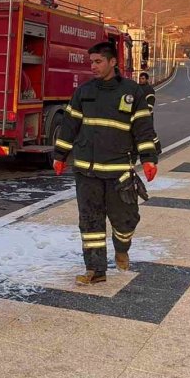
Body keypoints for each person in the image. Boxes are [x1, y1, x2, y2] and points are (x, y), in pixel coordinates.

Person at [53, 42, 159, 285]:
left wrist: (149, 159)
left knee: (125, 220)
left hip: (118, 172)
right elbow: (70, 125)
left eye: (98, 61)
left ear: (113, 62)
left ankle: (122, 246)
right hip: (87, 172)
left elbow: (143, 128)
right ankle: (95, 270)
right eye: (91, 62)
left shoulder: (133, 92)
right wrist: (60, 155)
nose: (93, 66)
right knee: (90, 222)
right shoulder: (84, 91)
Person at [137, 72, 162, 154]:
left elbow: (151, 103)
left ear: (147, 79)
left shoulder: (149, 90)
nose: (141, 80)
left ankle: (157, 148)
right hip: (137, 114)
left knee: (150, 132)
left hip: (147, 114)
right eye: (140, 78)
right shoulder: (137, 88)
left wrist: (146, 110)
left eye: (143, 78)